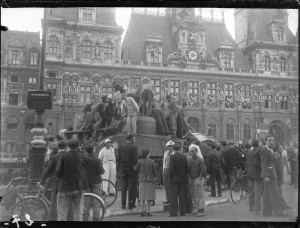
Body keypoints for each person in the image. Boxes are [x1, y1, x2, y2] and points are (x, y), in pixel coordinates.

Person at [55, 139, 90, 221]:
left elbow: (57, 171)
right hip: (78, 187)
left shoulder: (63, 156)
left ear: (68, 147)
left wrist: (63, 177)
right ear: (78, 147)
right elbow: (89, 161)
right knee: (78, 212)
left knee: (62, 212)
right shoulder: (81, 156)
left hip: (64, 187)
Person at [38, 140, 67, 221]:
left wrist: (41, 182)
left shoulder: (54, 158)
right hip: (68, 183)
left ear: (58, 147)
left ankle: (52, 221)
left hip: (56, 182)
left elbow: (47, 170)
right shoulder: (68, 156)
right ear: (65, 147)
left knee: (54, 203)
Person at [260, 136, 286, 217]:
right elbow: (264, 163)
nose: (271, 142)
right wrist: (267, 175)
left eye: (273, 140)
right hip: (270, 175)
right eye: (269, 140)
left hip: (271, 174)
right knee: (275, 194)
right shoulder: (265, 150)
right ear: (266, 141)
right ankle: (279, 212)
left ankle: (267, 212)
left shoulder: (270, 150)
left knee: (267, 194)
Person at [83, 145, 105, 221]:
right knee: (96, 199)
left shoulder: (84, 160)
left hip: (86, 182)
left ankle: (85, 217)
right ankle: (96, 218)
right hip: (96, 181)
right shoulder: (97, 160)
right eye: (94, 148)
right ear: (93, 150)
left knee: (86, 199)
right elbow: (102, 171)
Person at [117, 134, 138, 209]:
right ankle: (131, 204)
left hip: (123, 168)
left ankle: (123, 205)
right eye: (134, 139)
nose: (134, 140)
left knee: (123, 186)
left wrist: (119, 168)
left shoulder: (121, 147)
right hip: (131, 169)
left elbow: (118, 159)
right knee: (132, 187)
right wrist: (136, 168)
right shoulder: (134, 148)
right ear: (130, 139)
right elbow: (136, 159)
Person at [134, 149, 156, 217]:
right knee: (149, 197)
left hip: (142, 180)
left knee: (142, 196)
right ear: (147, 154)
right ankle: (148, 211)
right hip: (150, 180)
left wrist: (133, 167)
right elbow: (154, 171)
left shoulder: (139, 161)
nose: (150, 154)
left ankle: (142, 211)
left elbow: (136, 170)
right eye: (149, 153)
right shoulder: (152, 161)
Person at [169, 143, 189, 217]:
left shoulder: (172, 157)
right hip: (183, 179)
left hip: (174, 179)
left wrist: (170, 177)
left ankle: (173, 213)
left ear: (173, 149)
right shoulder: (183, 156)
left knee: (174, 196)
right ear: (180, 149)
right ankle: (182, 212)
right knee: (182, 196)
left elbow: (171, 169)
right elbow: (187, 168)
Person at [187, 146, 206, 217]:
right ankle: (195, 208)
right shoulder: (190, 160)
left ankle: (201, 209)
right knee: (193, 194)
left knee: (199, 194)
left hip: (198, 177)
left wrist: (200, 179)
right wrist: (189, 178)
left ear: (196, 152)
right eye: (190, 151)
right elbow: (188, 169)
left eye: (193, 151)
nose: (192, 153)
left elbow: (202, 170)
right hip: (192, 178)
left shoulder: (200, 160)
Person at [247, 139, 263, 215]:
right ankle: (257, 210)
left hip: (250, 174)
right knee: (257, 192)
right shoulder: (258, 152)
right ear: (258, 145)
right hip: (257, 174)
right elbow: (257, 164)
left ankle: (251, 207)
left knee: (252, 192)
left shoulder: (249, 152)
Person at [162, 140, 175, 204]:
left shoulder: (174, 153)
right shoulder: (166, 153)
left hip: (171, 170)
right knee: (166, 185)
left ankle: (172, 199)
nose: (170, 147)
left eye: (171, 146)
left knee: (171, 185)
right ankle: (168, 199)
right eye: (169, 146)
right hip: (165, 170)